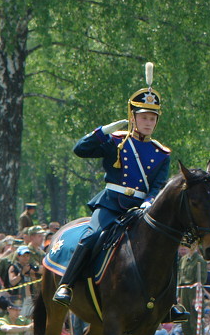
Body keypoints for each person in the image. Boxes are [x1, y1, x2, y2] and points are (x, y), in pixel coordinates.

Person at [53, 66, 177, 320]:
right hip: (111, 204)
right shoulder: (116, 141)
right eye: (144, 117)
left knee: (167, 248)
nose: (149, 122)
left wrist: (150, 202)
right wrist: (103, 131)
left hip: (141, 209)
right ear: (133, 118)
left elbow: (158, 185)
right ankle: (66, 285)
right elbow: (80, 149)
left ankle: (170, 303)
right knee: (92, 236)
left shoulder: (161, 153)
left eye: (153, 119)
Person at [177, 244, 210, 335]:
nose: (190, 247)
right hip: (184, 291)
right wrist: (179, 295)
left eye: (192, 245)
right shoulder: (183, 260)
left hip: (194, 291)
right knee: (185, 318)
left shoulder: (200, 260)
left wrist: (196, 296)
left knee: (194, 319)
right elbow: (180, 278)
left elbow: (202, 279)